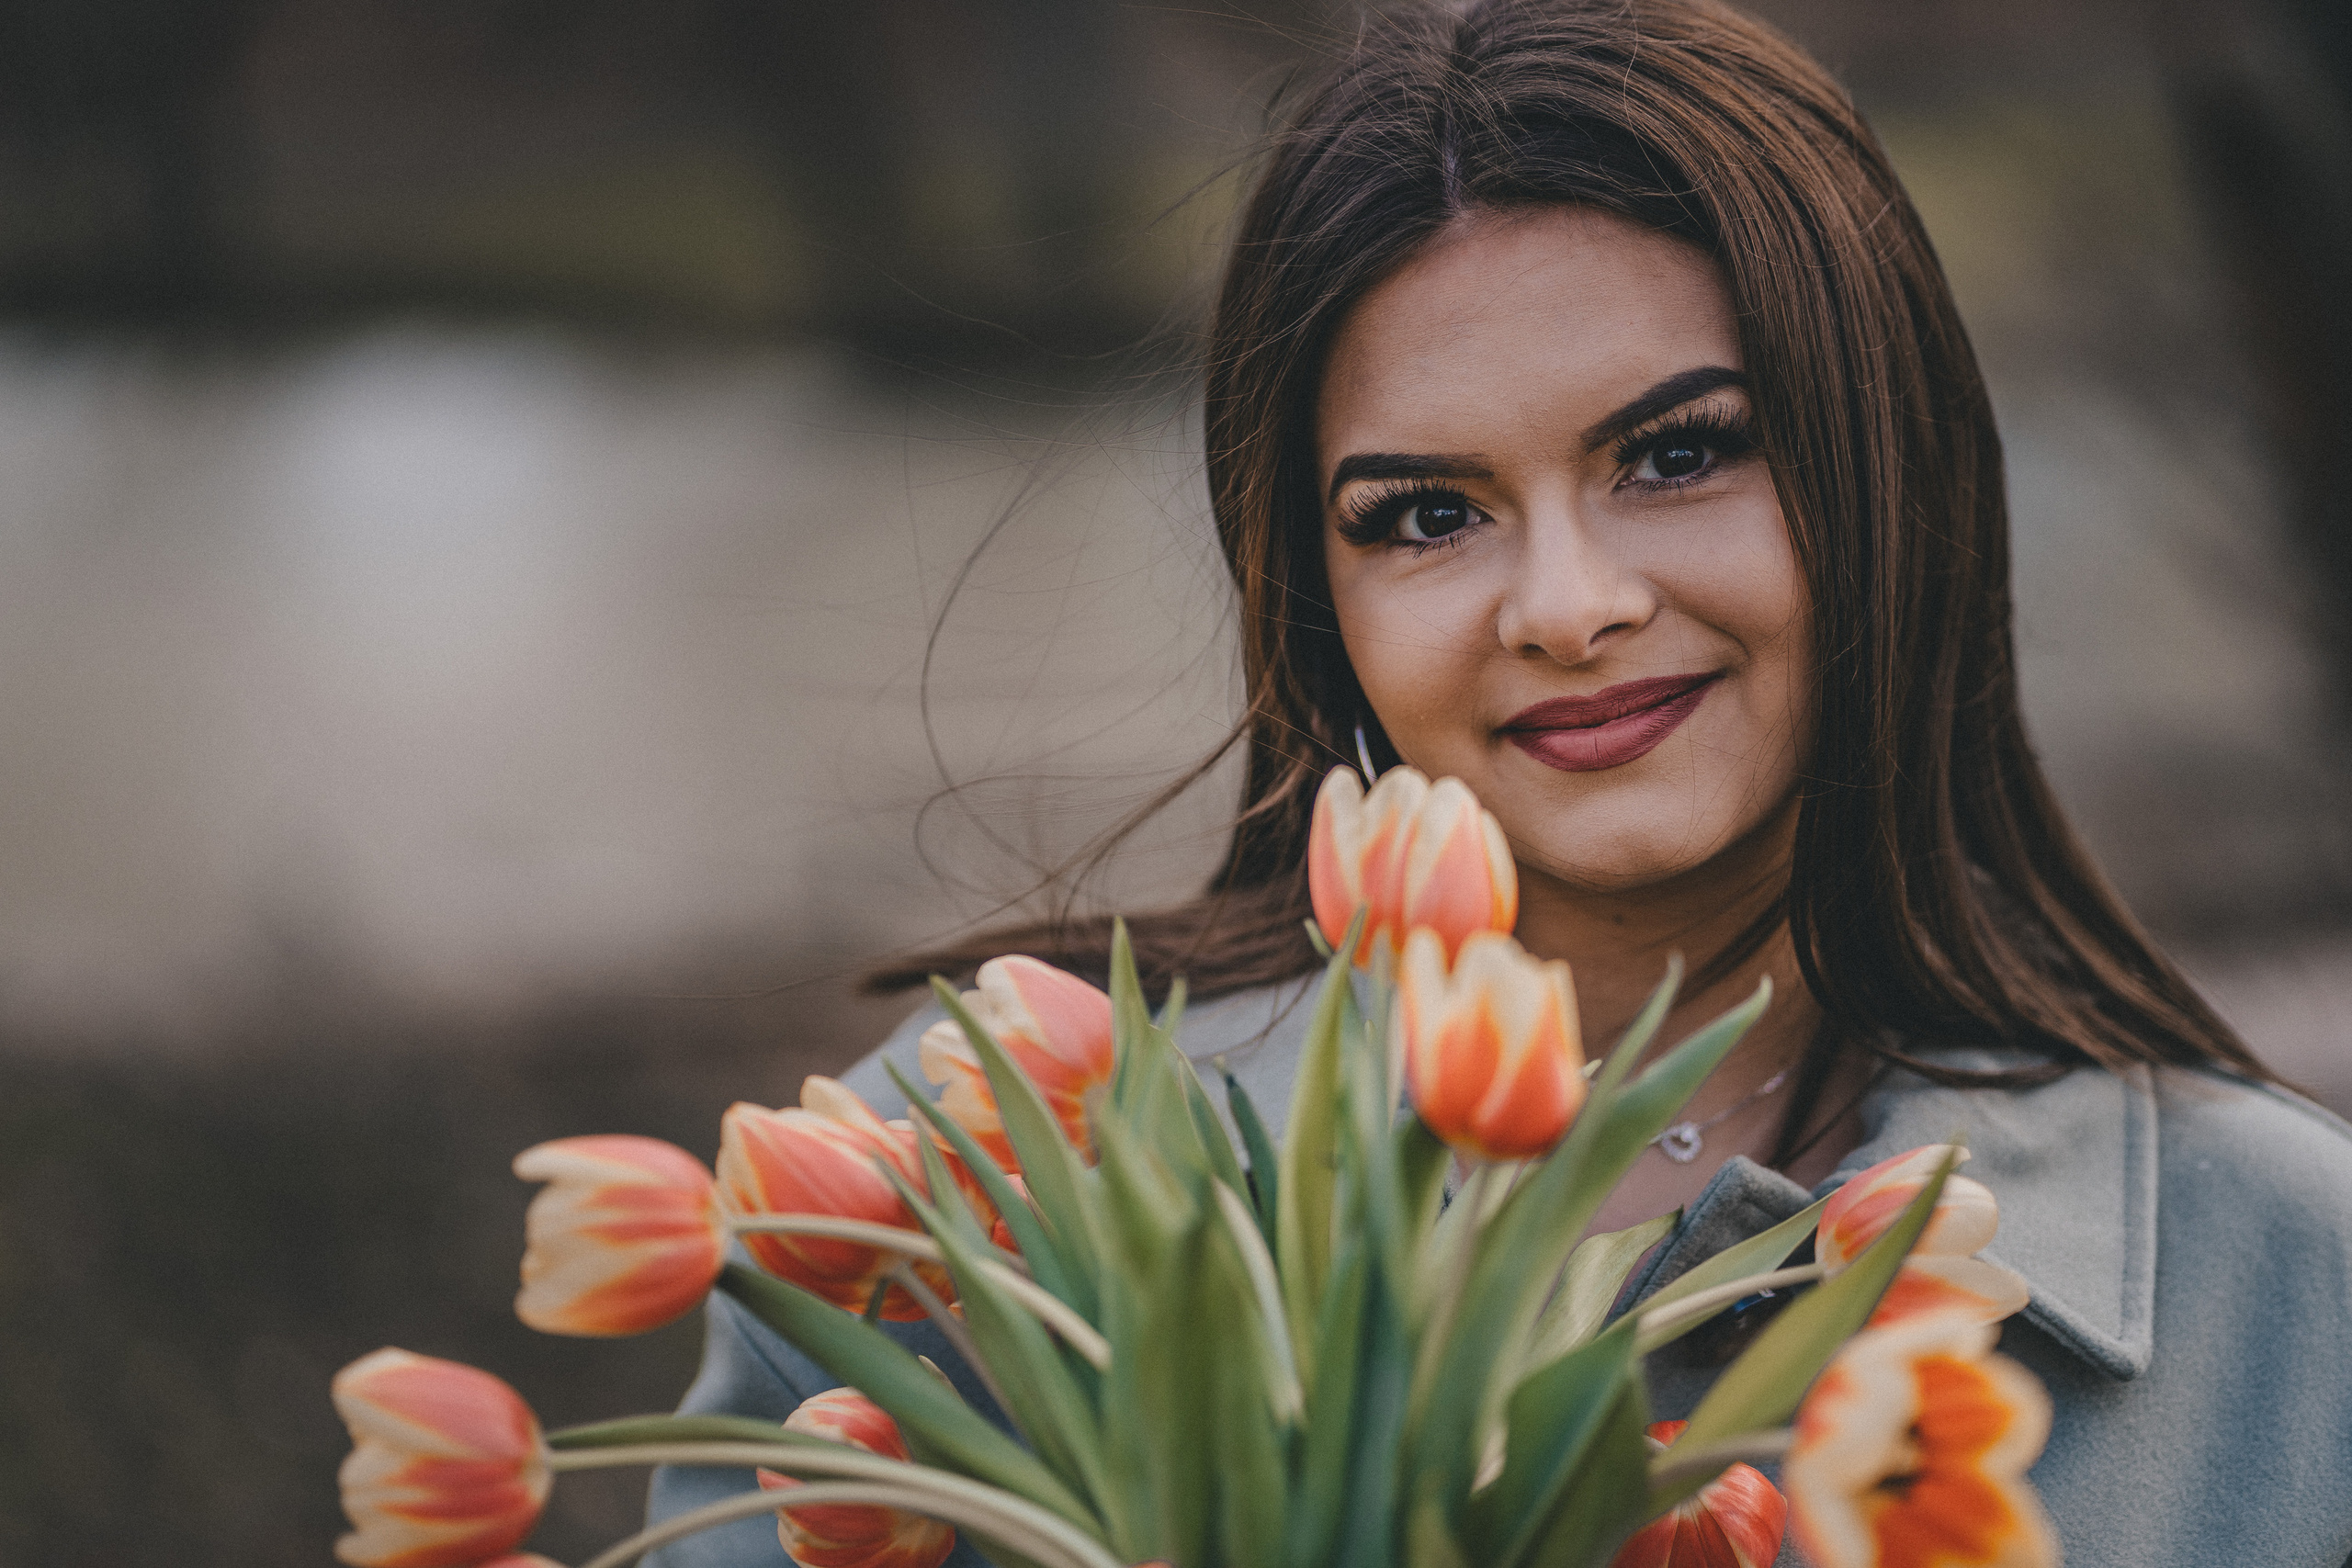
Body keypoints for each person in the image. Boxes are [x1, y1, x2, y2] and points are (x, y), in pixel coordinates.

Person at [649, 2, 2352, 1564]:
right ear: (1318, 602)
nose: (1568, 606)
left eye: (1680, 453)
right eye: (1427, 514)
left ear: (1888, 470)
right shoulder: (959, 1203)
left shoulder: (2292, 1293)